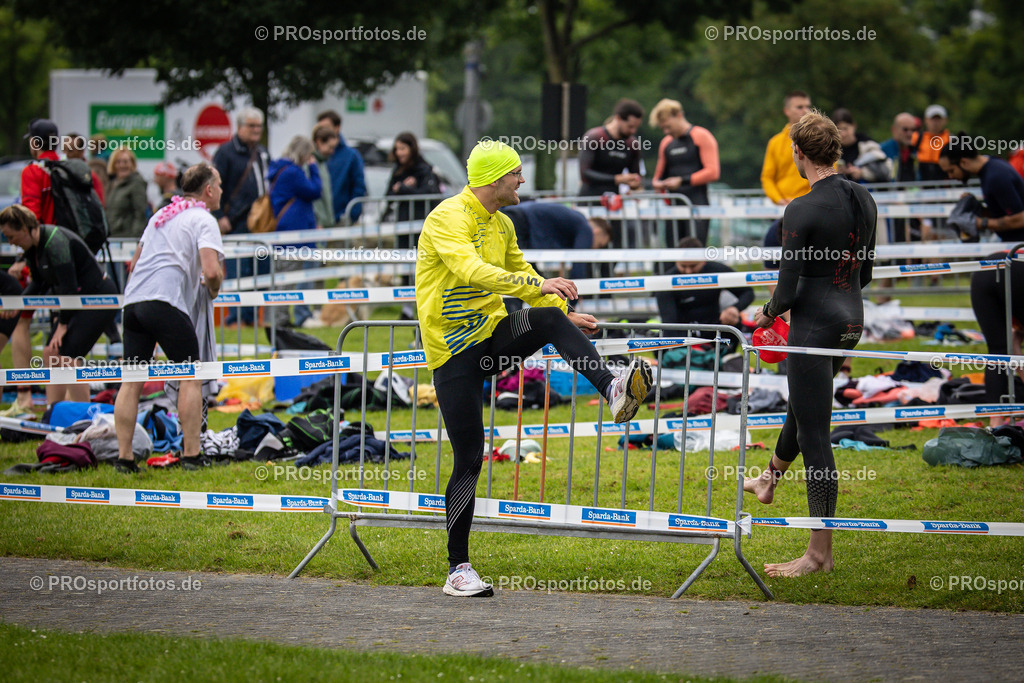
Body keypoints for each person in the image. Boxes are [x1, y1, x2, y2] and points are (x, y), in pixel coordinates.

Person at [417, 139, 653, 597]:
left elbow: (526, 281)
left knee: (547, 316)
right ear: (493, 179)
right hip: (451, 352)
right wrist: (537, 282)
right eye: (516, 173)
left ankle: (612, 389)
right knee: (469, 456)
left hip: (491, 337)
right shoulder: (448, 216)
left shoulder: (502, 223)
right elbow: (470, 270)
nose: (523, 180)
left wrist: (561, 314)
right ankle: (458, 569)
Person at [744, 110, 877, 578]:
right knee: (805, 410)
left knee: (817, 435)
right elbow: (866, 274)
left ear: (798, 152)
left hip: (814, 326)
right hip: (851, 320)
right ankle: (767, 480)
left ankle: (817, 555)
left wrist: (763, 316)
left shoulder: (800, 208)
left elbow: (785, 291)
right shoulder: (865, 197)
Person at [113, 163, 224, 473]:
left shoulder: (160, 216)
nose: (222, 191)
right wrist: (212, 289)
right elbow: (212, 271)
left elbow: (134, 263)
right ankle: (191, 455)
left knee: (132, 380)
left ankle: (123, 459)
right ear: (209, 190)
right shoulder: (204, 218)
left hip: (133, 302)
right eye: (220, 185)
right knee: (191, 374)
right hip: (164, 301)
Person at [939, 134, 1024, 420]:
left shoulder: (996, 176)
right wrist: (978, 207)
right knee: (1005, 346)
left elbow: (1021, 217)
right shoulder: (994, 171)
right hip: (1005, 265)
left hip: (1014, 265)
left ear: (963, 161)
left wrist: (982, 221)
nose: (952, 177)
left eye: (951, 171)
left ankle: (999, 420)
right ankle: (1001, 418)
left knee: (1002, 347)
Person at [0, 204, 120, 407]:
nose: (11, 243)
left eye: (11, 236)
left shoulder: (55, 242)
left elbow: (70, 288)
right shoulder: (33, 248)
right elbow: (39, 284)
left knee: (68, 358)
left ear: (24, 228)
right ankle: (53, 412)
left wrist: (62, 325)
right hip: (74, 300)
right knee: (50, 353)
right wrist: (16, 306)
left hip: (99, 299)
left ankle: (82, 415)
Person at [212, 107, 269, 326]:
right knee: (238, 271)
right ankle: (235, 317)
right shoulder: (226, 153)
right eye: (251, 126)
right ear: (240, 127)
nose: (256, 130)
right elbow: (215, 185)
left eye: (259, 126)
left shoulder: (263, 152)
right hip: (235, 221)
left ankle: (252, 316)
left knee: (260, 269)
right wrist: (219, 216)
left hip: (261, 222)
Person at [266, 136, 322, 328]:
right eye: (309, 155)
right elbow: (315, 190)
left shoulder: (280, 168)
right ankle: (279, 320)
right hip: (294, 232)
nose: (309, 158)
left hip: (285, 230)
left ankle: (277, 318)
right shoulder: (293, 172)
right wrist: (314, 169)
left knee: (282, 277)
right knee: (287, 279)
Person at [649, 98, 721, 246]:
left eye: (668, 126)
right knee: (673, 252)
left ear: (679, 115)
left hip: (697, 203)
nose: (666, 131)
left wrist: (682, 181)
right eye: (663, 128)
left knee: (695, 251)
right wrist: (660, 184)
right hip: (674, 207)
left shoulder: (701, 135)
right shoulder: (666, 143)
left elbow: (713, 172)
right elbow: (657, 178)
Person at [655, 236, 754, 342]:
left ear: (703, 260)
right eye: (683, 266)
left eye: (693, 266)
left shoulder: (716, 270)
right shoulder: (667, 281)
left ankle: (725, 354)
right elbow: (670, 324)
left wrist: (735, 308)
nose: (688, 271)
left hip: (715, 328)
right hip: (683, 333)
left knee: (733, 320)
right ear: (676, 261)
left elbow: (747, 292)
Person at [761, 91, 812, 274]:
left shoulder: (818, 139)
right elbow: (767, 177)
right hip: (782, 210)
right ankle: (778, 301)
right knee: (775, 259)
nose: (805, 111)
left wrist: (805, 200)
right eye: (799, 107)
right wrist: (780, 199)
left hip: (811, 207)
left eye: (807, 106)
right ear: (787, 111)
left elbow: (828, 171)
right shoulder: (775, 143)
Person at [500, 202, 611, 280]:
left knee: (527, 277)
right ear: (596, 231)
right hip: (519, 222)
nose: (595, 248)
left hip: (514, 218)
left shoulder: (576, 222)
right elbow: (579, 265)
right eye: (600, 244)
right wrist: (575, 296)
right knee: (524, 277)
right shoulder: (586, 229)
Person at [578, 99, 644, 197]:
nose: (633, 131)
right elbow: (585, 174)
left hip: (614, 202)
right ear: (618, 118)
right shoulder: (595, 137)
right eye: (630, 126)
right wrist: (616, 179)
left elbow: (635, 175)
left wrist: (635, 183)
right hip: (590, 200)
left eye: (636, 127)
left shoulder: (632, 144)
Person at [316, 110, 366, 225]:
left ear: (337, 128)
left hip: (341, 220)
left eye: (326, 127)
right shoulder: (312, 156)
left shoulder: (351, 156)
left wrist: (350, 215)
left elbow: (359, 187)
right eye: (320, 128)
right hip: (318, 222)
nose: (323, 131)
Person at [384, 131, 440, 231]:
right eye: (397, 149)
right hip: (402, 223)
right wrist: (401, 188)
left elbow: (429, 193)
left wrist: (404, 189)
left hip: (421, 222)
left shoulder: (423, 169)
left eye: (402, 149)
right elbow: (389, 196)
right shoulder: (398, 170)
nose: (399, 153)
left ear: (412, 149)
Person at [832, 108, 892, 183]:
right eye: (839, 130)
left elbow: (887, 169)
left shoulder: (868, 145)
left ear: (854, 126)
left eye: (845, 128)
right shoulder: (831, 149)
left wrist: (862, 173)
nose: (843, 134)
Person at [105, 148, 150, 238]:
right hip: (113, 236)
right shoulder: (112, 184)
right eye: (118, 162)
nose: (122, 165)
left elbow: (140, 213)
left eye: (125, 162)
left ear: (132, 164)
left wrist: (135, 237)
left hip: (127, 237)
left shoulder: (136, 183)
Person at [917, 104, 950, 182]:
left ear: (945, 120)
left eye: (938, 119)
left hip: (943, 180)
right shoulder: (917, 137)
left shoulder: (951, 139)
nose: (935, 123)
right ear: (926, 120)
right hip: (922, 179)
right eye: (933, 119)